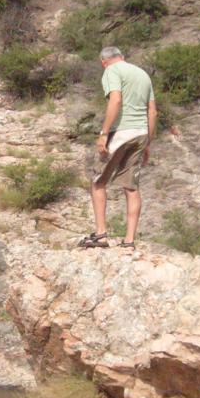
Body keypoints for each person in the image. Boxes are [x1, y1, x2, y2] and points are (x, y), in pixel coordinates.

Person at [79, 46, 157, 250]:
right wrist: (148, 142)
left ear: (103, 61)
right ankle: (129, 241)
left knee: (98, 181)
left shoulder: (112, 71)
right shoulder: (142, 74)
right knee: (131, 187)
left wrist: (104, 133)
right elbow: (153, 112)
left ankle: (101, 235)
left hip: (121, 132)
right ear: (122, 56)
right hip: (140, 133)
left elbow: (115, 100)